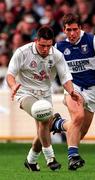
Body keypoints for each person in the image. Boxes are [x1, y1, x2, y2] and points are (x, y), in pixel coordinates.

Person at [6, 25, 80, 172]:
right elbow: (10, 74)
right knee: (44, 116)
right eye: (42, 45)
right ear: (36, 41)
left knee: (42, 128)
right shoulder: (22, 52)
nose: (45, 49)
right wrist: (13, 85)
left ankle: (31, 160)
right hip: (25, 92)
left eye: (48, 45)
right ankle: (50, 158)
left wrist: (72, 91)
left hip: (45, 94)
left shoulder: (57, 55)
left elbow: (65, 78)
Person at [52, 13, 95, 170]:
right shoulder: (59, 47)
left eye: (75, 29)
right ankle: (73, 157)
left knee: (80, 132)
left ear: (80, 28)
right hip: (73, 88)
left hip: (93, 90)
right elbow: (47, 68)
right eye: (69, 30)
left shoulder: (94, 40)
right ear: (64, 30)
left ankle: (58, 123)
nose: (72, 33)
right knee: (78, 116)